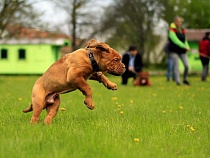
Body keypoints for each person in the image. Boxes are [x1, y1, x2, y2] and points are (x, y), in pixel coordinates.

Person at [168, 16, 190, 86]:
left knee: (187, 66)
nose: (180, 23)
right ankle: (178, 82)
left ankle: (185, 79)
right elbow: (175, 40)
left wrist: (187, 46)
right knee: (176, 66)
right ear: (175, 22)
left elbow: (185, 40)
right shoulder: (171, 30)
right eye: (179, 22)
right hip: (174, 51)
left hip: (182, 51)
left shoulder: (182, 30)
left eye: (181, 22)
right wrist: (184, 46)